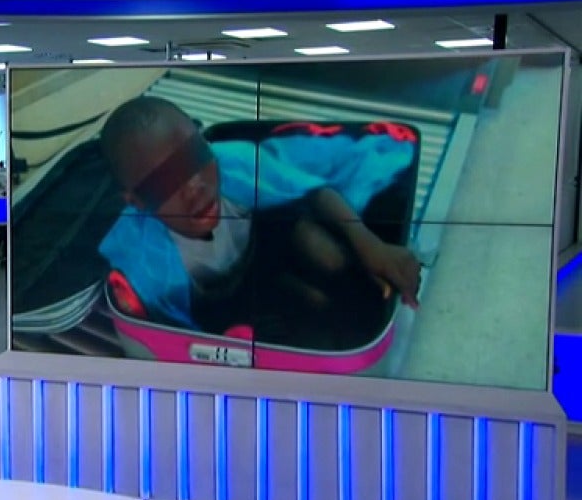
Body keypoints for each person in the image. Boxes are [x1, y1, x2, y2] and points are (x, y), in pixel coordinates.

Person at [97, 96, 421, 340]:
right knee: (286, 320)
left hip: (262, 244)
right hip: (219, 299)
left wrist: (371, 246)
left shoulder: (234, 164)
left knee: (329, 256)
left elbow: (315, 192)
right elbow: (170, 329)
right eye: (166, 182)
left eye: (194, 156)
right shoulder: (146, 261)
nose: (194, 186)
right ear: (137, 202)